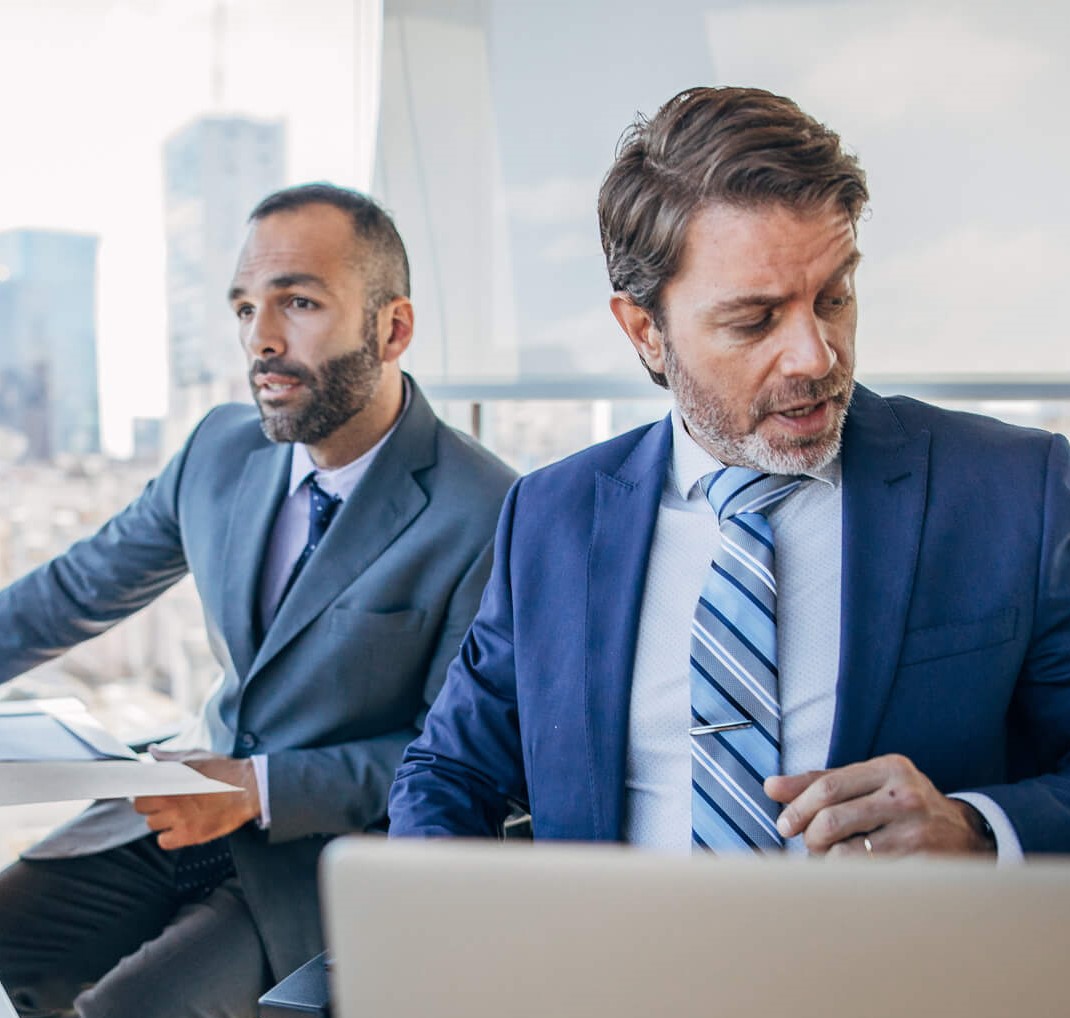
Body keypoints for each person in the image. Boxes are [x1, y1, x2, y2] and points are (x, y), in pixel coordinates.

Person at [388, 87, 1070, 857]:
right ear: (645, 331)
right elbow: (449, 771)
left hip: (899, 973)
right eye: (755, 320)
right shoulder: (552, 515)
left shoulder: (1018, 490)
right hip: (616, 971)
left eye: (834, 296)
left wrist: (980, 829)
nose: (817, 355)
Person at [0, 183, 515, 1018]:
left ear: (392, 328)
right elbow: (78, 589)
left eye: (300, 302)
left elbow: (458, 759)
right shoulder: (219, 451)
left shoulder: (488, 512)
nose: (261, 340)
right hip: (183, 806)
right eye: (247, 307)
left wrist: (259, 786)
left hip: (331, 847)